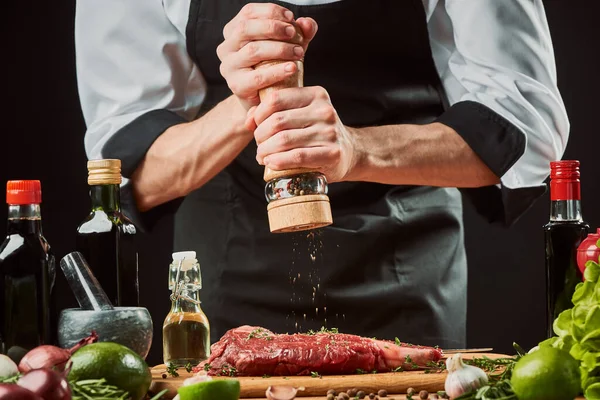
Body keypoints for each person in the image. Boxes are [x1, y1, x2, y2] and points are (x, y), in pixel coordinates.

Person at [75, 0, 568, 348]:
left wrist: (355, 148)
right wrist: (248, 101)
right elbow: (123, 174)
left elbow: (520, 126)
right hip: (228, 278)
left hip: (405, 269)